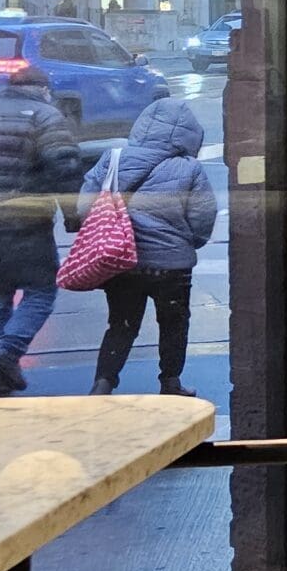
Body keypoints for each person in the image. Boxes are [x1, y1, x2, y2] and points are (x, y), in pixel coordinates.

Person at [80, 96, 219, 396]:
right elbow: (203, 217)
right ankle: (171, 382)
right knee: (174, 324)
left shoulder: (113, 158)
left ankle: (103, 382)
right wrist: (187, 243)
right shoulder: (190, 168)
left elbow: (84, 207)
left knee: (121, 324)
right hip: (172, 267)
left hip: (121, 261)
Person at [0, 63, 81, 395]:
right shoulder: (45, 116)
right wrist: (73, 216)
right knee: (41, 290)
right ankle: (7, 351)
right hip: (27, 221)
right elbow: (64, 167)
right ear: (43, 89)